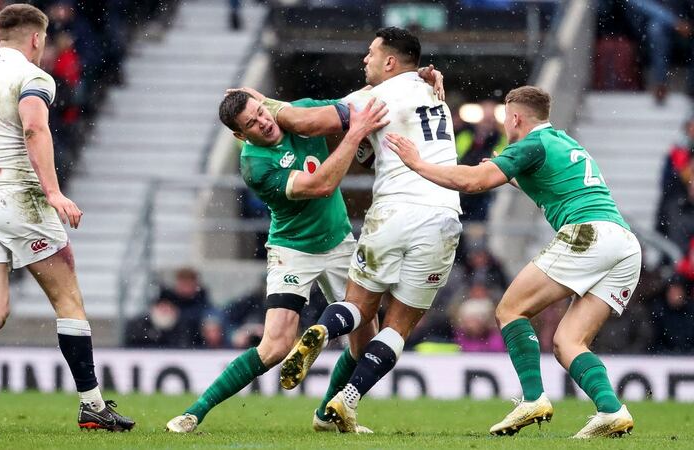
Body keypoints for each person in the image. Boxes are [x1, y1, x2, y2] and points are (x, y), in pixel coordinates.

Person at [0, 3, 133, 432]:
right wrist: (53, 192)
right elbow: (35, 128)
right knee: (67, 299)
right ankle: (92, 404)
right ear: (36, 38)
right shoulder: (33, 76)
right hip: (19, 196)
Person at [387, 85, 641, 438]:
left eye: (508, 118)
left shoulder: (530, 145)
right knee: (569, 342)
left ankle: (533, 398)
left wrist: (417, 163)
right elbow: (557, 185)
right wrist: (514, 177)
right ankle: (612, 410)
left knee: (510, 310)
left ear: (516, 117)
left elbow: (475, 182)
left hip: (589, 233)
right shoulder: (565, 143)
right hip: (626, 244)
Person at [164, 86, 389, 434]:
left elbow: (351, 101)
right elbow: (320, 185)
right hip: (292, 250)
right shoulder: (255, 165)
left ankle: (326, 415)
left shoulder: (297, 112)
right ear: (240, 135)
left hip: (340, 242)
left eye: (262, 113)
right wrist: (356, 132)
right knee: (275, 347)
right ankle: (194, 413)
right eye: (252, 124)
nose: (264, 123)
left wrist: (409, 79)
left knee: (364, 342)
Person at [275, 27, 462, 432]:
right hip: (444, 214)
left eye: (371, 53)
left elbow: (307, 122)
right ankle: (348, 401)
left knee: (359, 308)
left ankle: (324, 327)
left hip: (394, 210)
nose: (365, 60)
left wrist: (262, 105)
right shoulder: (436, 94)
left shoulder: (373, 97)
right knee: (398, 327)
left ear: (391, 62)